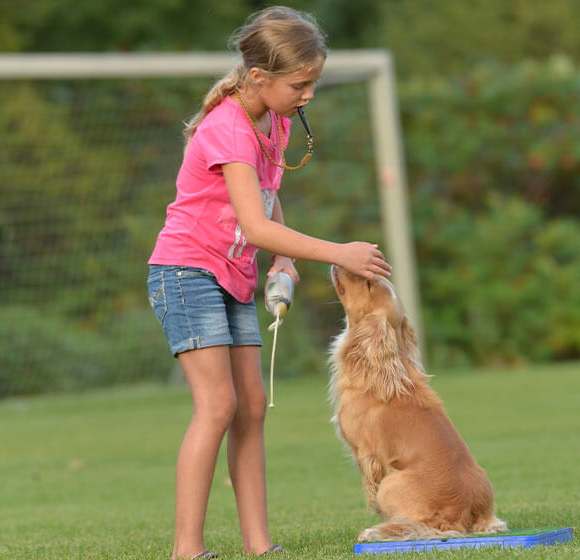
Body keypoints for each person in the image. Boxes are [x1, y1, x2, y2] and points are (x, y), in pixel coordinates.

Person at [146, 6, 392, 559]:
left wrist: (283, 260)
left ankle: (260, 546)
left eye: (313, 83)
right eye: (299, 84)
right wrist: (338, 252)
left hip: (231, 272)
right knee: (217, 406)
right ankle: (187, 550)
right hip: (185, 272)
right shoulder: (227, 128)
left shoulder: (276, 121)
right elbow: (252, 225)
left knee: (252, 404)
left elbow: (265, 200)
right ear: (259, 77)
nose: (308, 95)